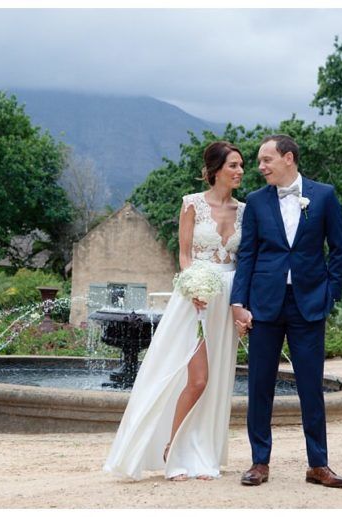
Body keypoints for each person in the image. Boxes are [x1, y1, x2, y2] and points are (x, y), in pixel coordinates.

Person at [103, 141, 245, 481]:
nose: (240, 171)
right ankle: (170, 448)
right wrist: (193, 287)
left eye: (242, 166)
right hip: (196, 298)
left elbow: (245, 258)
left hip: (227, 298)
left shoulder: (245, 210)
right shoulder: (191, 204)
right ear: (215, 170)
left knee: (216, 381)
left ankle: (200, 453)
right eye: (234, 166)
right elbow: (183, 255)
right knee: (197, 379)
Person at [230, 134, 342, 488]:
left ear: (289, 158)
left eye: (266, 160)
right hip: (265, 304)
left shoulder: (324, 195)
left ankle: (318, 465)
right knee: (260, 386)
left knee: (311, 387)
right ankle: (259, 462)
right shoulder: (255, 201)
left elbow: (339, 250)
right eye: (259, 161)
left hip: (309, 304)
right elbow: (247, 255)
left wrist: (331, 295)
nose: (260, 167)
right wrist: (240, 303)